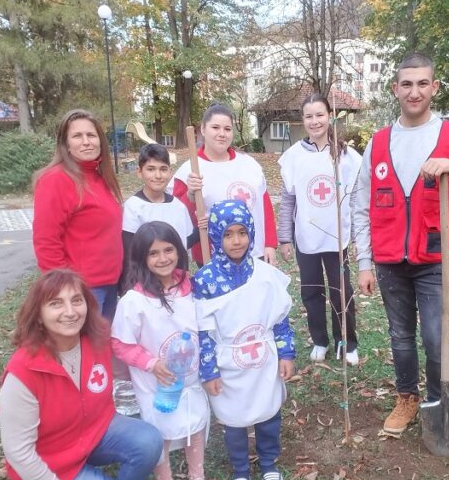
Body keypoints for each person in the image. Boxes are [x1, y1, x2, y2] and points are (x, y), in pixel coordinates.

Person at [351, 53, 449, 435]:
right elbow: (360, 206)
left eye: (422, 83)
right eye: (407, 84)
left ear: (435, 88)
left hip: (435, 258)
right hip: (390, 259)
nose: (414, 91)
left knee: (435, 334)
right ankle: (407, 397)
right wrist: (365, 262)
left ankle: (435, 400)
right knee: (400, 335)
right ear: (395, 89)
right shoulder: (378, 143)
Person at [0, 269, 162, 480]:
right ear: (38, 314)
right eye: (55, 303)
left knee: (149, 440)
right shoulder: (23, 372)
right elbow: (18, 452)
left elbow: (126, 362)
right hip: (53, 463)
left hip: (95, 432)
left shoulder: (96, 339)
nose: (70, 311)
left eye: (77, 300)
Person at [192, 200, 296, 480]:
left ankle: (268, 464)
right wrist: (208, 370)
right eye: (227, 235)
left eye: (241, 232)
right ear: (215, 237)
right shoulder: (206, 280)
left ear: (251, 232)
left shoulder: (265, 274)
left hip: (263, 360)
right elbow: (204, 330)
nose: (236, 241)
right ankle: (240, 469)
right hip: (228, 364)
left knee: (268, 413)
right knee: (233, 418)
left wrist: (286, 353)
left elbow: (279, 319)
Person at [111, 221, 216, 480]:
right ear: (142, 258)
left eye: (168, 250)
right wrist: (151, 364)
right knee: (162, 432)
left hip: (191, 379)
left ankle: (197, 477)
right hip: (157, 382)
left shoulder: (192, 288)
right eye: (153, 253)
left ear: (179, 251)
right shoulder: (134, 300)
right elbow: (120, 343)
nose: (163, 258)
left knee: (195, 423)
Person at [278, 94, 361, 365]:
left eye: (320, 115)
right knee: (311, 291)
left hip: (337, 237)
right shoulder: (293, 157)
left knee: (341, 290)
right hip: (306, 237)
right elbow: (288, 199)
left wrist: (360, 235)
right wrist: (284, 237)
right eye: (309, 116)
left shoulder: (346, 155)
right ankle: (320, 340)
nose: (315, 121)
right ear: (303, 120)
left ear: (329, 117)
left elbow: (358, 196)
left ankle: (346, 342)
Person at [32, 109, 124, 319]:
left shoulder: (101, 178)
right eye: (77, 136)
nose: (86, 142)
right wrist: (65, 291)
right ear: (66, 145)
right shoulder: (56, 180)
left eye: (91, 135)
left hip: (109, 283)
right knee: (84, 349)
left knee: (101, 348)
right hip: (81, 290)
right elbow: (46, 242)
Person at [167, 103, 278, 266]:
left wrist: (270, 244)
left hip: (253, 252)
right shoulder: (189, 171)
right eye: (215, 127)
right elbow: (179, 216)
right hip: (213, 256)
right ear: (203, 130)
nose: (222, 134)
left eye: (227, 129)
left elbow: (265, 206)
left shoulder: (249, 165)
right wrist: (190, 195)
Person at [120, 144, 195, 290]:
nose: (158, 175)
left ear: (170, 171)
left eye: (163, 169)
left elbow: (184, 245)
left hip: (176, 283)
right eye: (151, 169)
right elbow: (130, 255)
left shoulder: (178, 206)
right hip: (146, 284)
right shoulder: (133, 208)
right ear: (139, 172)